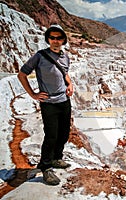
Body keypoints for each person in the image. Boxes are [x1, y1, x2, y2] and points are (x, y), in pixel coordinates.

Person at [17, 24, 74, 185]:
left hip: (64, 100)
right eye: (52, 38)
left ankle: (57, 158)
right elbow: (22, 74)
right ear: (48, 39)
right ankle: (46, 168)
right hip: (49, 103)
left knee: (64, 133)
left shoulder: (65, 56)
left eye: (59, 38)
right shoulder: (40, 56)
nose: (55, 41)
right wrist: (33, 94)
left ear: (63, 40)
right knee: (51, 135)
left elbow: (65, 73)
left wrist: (69, 84)